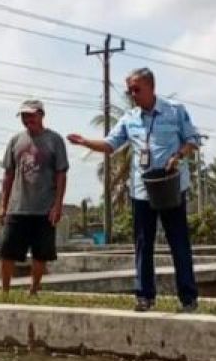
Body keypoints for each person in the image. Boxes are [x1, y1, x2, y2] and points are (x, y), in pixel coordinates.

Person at [68, 68, 201, 313]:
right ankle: (144, 296)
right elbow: (110, 145)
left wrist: (179, 155)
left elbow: (193, 139)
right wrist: (85, 142)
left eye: (137, 89)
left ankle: (188, 297)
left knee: (179, 242)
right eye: (130, 90)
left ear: (151, 86)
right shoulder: (129, 118)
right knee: (143, 243)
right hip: (142, 190)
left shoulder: (175, 110)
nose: (132, 94)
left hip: (171, 187)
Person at [0, 99, 69, 296]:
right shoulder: (15, 141)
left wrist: (57, 206)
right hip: (18, 206)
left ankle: (34, 290)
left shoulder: (54, 140)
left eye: (31, 115)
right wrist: (3, 205)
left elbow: (61, 174)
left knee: (40, 253)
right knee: (7, 251)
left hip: (44, 208)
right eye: (23, 116)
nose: (27, 120)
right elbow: (8, 175)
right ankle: (4, 291)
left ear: (41, 115)